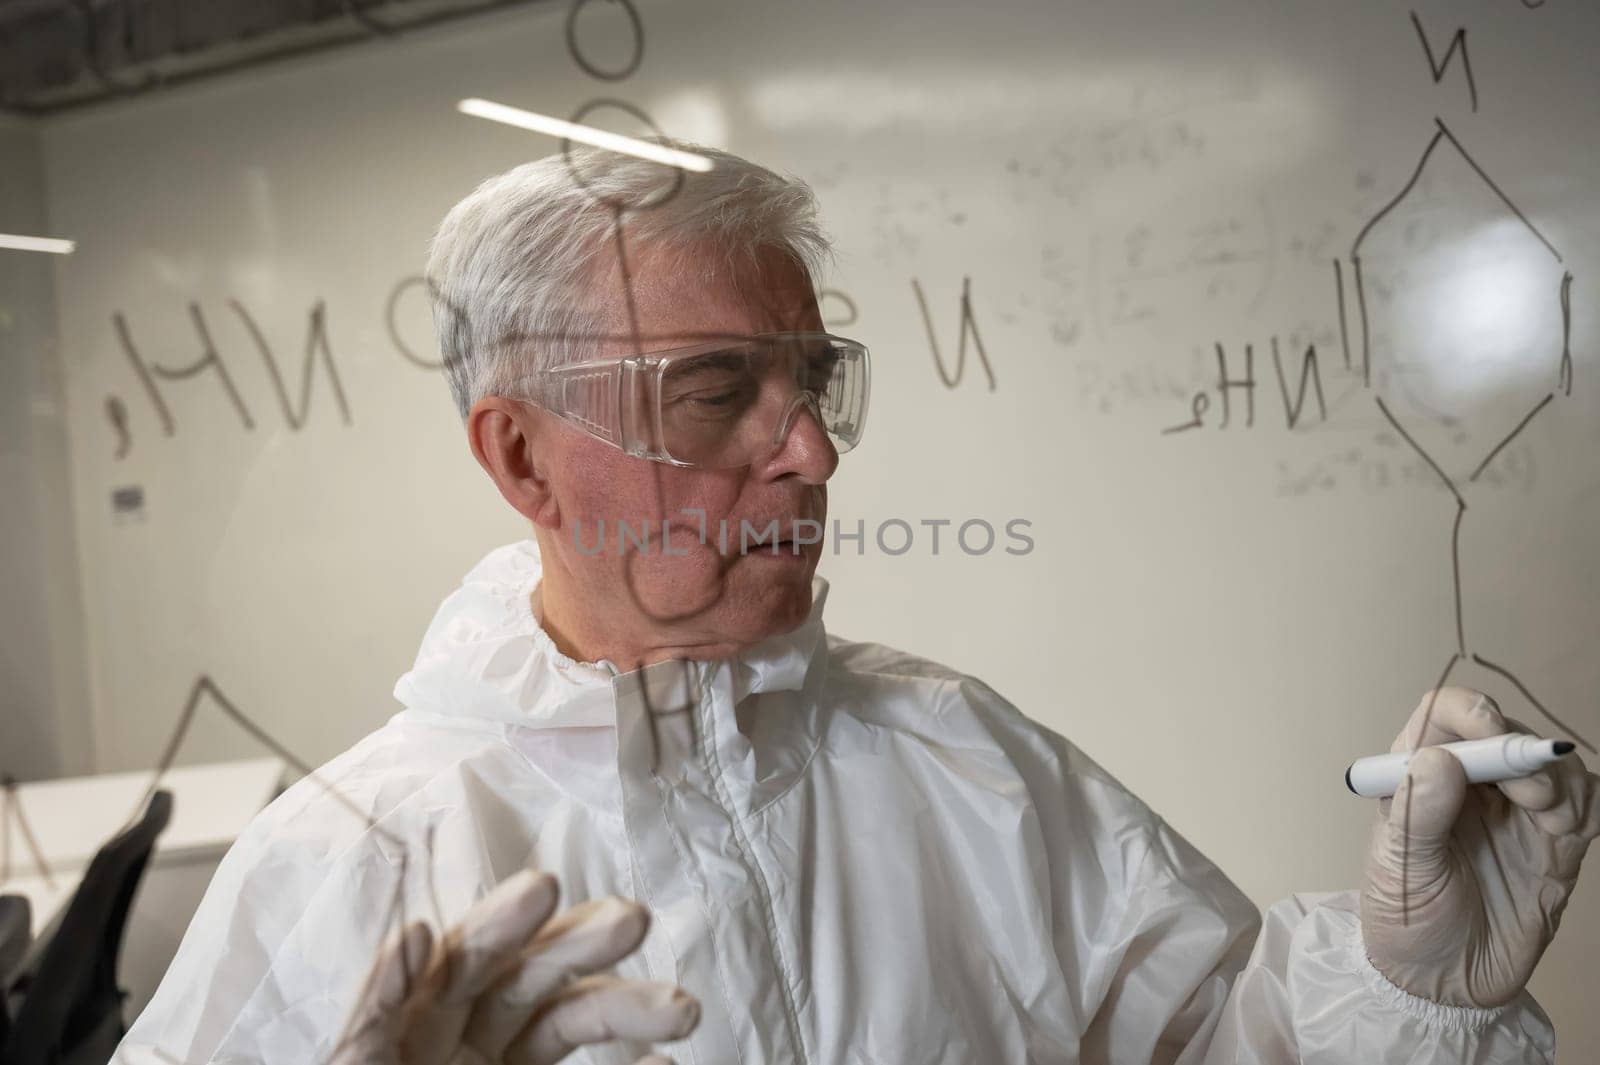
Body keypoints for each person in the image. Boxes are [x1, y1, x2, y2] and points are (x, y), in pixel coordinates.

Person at [115, 143, 1599, 1064]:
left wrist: (1413, 995)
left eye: (811, 382)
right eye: (714, 394)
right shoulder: (358, 868)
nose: (809, 450)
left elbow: (1215, 1046)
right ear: (522, 458)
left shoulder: (963, 762)